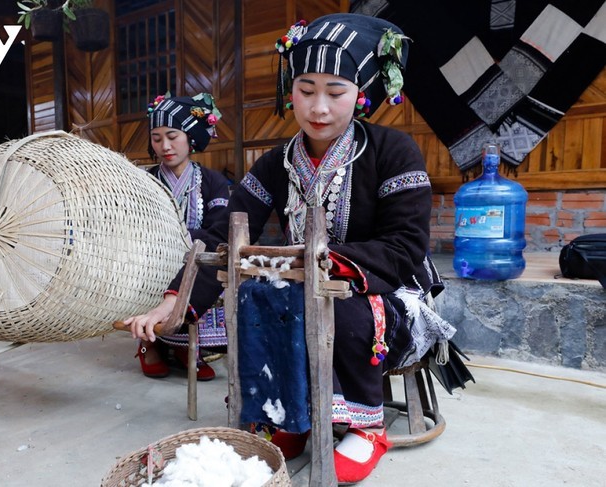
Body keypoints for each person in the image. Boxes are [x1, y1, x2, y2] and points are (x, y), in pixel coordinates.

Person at [124, 13, 455, 484]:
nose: (318, 107)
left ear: (360, 92)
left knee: (334, 307)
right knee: (260, 297)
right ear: (290, 88)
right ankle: (291, 416)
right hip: (306, 281)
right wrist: (172, 301)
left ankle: (365, 424)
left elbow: (404, 246)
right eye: (306, 89)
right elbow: (224, 232)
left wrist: (324, 265)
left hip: (385, 286)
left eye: (336, 92)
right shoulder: (277, 163)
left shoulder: (393, 150)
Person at [136, 92, 230, 381]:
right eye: (156, 137)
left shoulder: (212, 181)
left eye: (172, 136)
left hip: (196, 259)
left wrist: (180, 241)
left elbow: (219, 229)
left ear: (190, 136)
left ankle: (187, 346)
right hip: (152, 262)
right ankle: (149, 343)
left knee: (214, 266)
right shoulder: (145, 181)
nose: (164, 146)